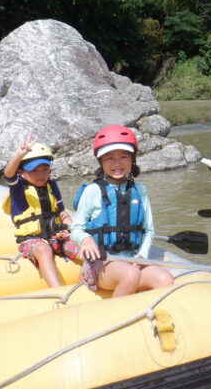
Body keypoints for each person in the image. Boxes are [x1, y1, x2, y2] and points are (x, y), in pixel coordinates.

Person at [70, 125, 173, 296]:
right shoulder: (92, 191)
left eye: (123, 157)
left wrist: (141, 255)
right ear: (100, 161)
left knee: (165, 279)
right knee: (130, 275)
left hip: (132, 258)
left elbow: (149, 230)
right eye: (109, 158)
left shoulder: (140, 190)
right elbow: (76, 229)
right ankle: (117, 316)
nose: (117, 164)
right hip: (102, 262)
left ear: (132, 159)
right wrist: (86, 239)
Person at [2, 136, 80, 288]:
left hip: (56, 236)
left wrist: (73, 228)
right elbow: (8, 174)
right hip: (31, 241)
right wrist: (19, 155)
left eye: (45, 170)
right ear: (22, 172)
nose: (41, 175)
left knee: (82, 244)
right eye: (34, 171)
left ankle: (103, 272)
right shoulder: (18, 188)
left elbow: (61, 213)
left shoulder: (51, 186)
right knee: (43, 249)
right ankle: (58, 291)